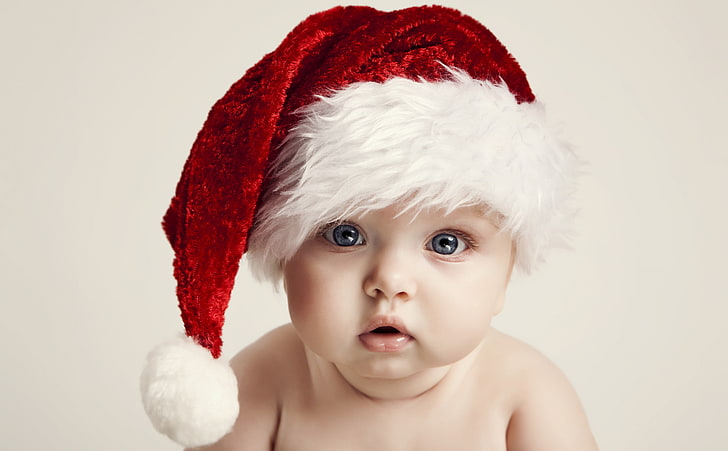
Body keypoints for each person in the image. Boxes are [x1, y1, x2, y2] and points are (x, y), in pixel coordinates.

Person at [141, 5, 599, 450]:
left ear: (504, 276)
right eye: (345, 235)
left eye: (446, 242)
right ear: (284, 255)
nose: (390, 281)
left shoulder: (525, 398)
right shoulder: (264, 385)